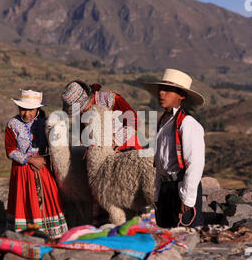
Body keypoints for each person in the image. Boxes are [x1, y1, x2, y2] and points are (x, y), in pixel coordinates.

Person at [142, 68, 205, 228]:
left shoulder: (188, 124)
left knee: (185, 238)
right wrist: (157, 194)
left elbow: (195, 163)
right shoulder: (164, 123)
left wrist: (188, 198)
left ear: (181, 95)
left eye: (168, 90)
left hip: (181, 188)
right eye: (160, 89)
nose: (161, 93)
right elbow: (160, 163)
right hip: (166, 190)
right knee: (166, 237)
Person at [5, 89, 68, 238]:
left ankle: (51, 233)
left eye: (30, 110)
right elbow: (10, 150)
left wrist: (44, 159)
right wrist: (30, 159)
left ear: (38, 109)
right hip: (22, 172)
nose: (26, 114)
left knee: (48, 198)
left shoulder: (47, 124)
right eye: (23, 110)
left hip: (43, 168)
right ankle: (27, 233)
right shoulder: (12, 125)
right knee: (26, 200)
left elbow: (55, 146)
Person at [61, 80, 142, 151]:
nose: (81, 112)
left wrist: (114, 141)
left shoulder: (111, 99)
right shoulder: (82, 114)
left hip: (127, 148)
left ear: (89, 99)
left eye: (82, 109)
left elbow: (135, 121)